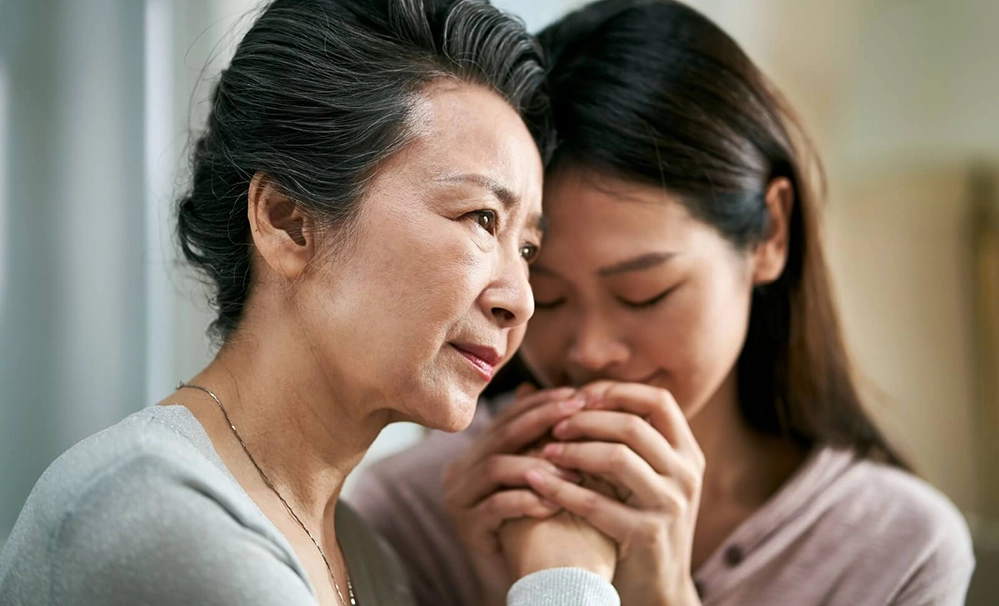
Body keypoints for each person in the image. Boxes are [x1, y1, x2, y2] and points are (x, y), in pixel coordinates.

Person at [349, 1, 976, 604]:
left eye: (644, 294)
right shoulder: (407, 512)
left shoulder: (898, 550)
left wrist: (665, 597)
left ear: (770, 235)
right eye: (550, 295)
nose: (589, 351)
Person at [0, 1, 622, 604]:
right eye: (482, 218)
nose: (522, 301)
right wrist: (568, 577)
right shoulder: (153, 513)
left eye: (528, 249)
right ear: (287, 222)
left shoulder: (367, 560)